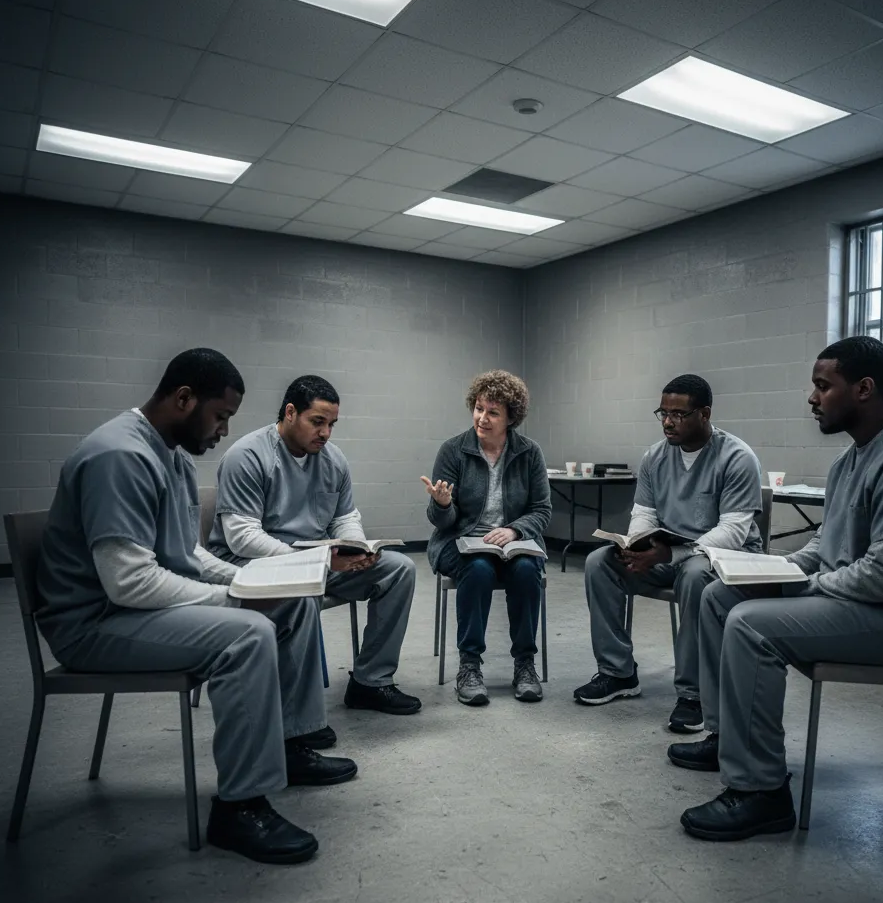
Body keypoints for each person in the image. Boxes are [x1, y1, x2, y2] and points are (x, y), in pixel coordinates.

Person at [36, 349, 357, 866]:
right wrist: (236, 599)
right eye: (220, 416)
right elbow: (129, 582)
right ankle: (239, 806)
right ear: (184, 399)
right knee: (246, 633)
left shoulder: (173, 457)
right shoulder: (120, 455)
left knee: (292, 606)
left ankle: (291, 746)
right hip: (92, 624)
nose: (224, 431)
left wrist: (254, 579)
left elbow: (188, 555)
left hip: (132, 611)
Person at [672, 336, 883, 841]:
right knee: (720, 594)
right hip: (866, 604)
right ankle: (728, 737)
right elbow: (822, 546)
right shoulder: (851, 460)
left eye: (822, 386)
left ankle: (761, 792)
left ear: (863, 388)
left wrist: (803, 586)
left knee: (751, 626)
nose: (812, 398)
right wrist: (770, 569)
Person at [207, 375, 421, 721]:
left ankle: (370, 681)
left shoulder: (333, 460)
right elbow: (241, 537)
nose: (325, 433)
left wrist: (354, 547)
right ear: (290, 413)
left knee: (399, 570)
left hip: (317, 563)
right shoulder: (247, 456)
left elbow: (345, 515)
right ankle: (299, 719)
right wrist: (318, 561)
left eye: (332, 424)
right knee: (301, 595)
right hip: (253, 568)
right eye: (317, 422)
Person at [573, 375, 764, 733]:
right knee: (601, 562)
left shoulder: (737, 457)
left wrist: (670, 554)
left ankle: (693, 694)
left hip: (723, 561)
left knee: (695, 575)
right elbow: (643, 513)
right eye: (663, 412)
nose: (668, 421)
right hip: (669, 555)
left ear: (705, 413)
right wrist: (637, 545)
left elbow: (734, 532)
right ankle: (619, 673)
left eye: (679, 413)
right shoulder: (655, 457)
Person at [422, 370, 551, 706]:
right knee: (478, 569)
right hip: (460, 541)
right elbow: (442, 521)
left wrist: (514, 530)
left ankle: (524, 665)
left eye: (493, 412)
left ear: (511, 418)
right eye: (479, 408)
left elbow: (542, 510)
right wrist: (443, 504)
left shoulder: (529, 453)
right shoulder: (453, 450)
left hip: (511, 543)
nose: (482, 417)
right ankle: (469, 667)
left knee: (526, 571)